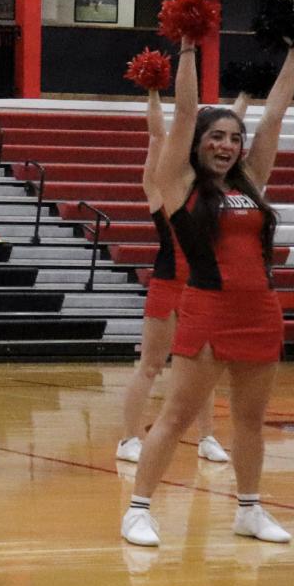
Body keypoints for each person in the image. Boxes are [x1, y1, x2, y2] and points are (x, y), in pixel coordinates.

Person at [123, 36, 294, 548]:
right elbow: (183, 113)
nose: (226, 145)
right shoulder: (178, 182)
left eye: (233, 138)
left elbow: (274, 119)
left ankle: (249, 509)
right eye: (216, 137)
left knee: (250, 420)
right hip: (207, 307)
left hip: (262, 311)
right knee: (179, 414)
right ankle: (138, 509)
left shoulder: (251, 182)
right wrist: (185, 46)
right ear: (198, 142)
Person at [116, 86, 233, 468]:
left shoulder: (204, 190)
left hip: (201, 287)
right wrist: (152, 92)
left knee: (205, 366)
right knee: (151, 365)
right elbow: (157, 135)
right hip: (168, 284)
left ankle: (207, 437)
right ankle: (128, 438)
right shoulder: (159, 188)